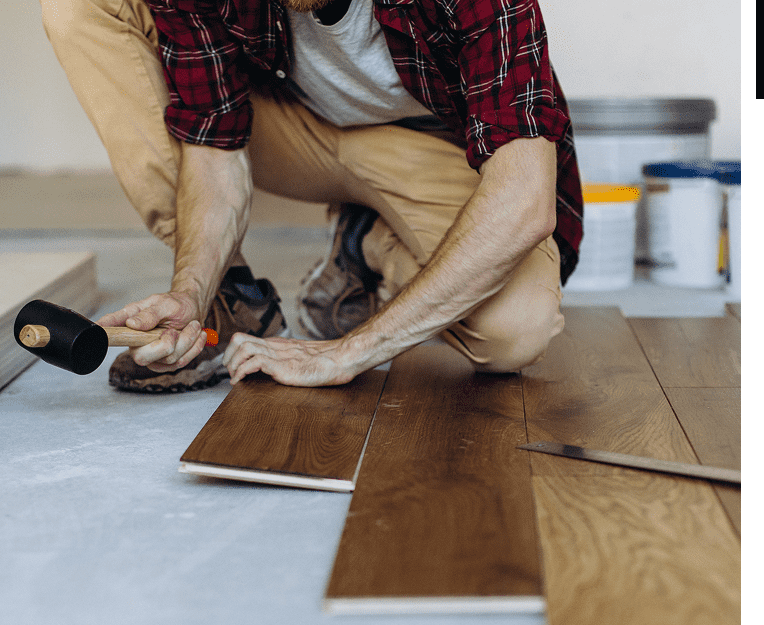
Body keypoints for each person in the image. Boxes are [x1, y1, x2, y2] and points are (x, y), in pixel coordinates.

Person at [41, 0, 582, 392]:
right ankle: (231, 304)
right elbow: (213, 151)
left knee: (516, 330)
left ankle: (365, 243)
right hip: (291, 131)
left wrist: (351, 353)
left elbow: (524, 198)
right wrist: (191, 292)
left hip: (435, 147)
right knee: (81, 5)